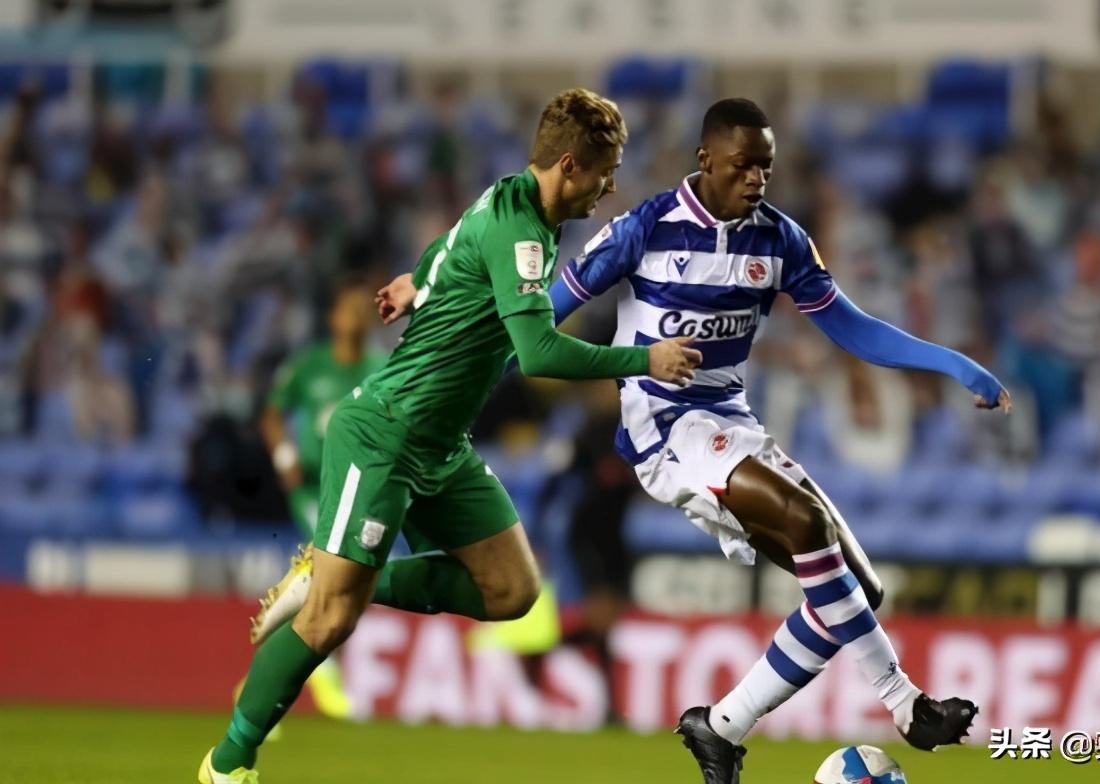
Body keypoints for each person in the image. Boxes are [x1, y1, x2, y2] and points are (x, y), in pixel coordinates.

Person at [197, 87, 702, 784]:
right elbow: (538, 354)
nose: (610, 187)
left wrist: (418, 282)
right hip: (384, 433)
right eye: (604, 171)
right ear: (568, 165)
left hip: (440, 446)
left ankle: (337, 574)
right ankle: (228, 764)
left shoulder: (511, 201)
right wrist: (644, 361)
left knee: (512, 591)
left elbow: (450, 247)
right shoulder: (521, 232)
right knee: (329, 619)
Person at [546, 99, 1011, 784]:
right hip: (667, 427)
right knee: (805, 521)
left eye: (765, 166)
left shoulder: (781, 240)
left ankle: (721, 727)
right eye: (742, 165)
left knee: (857, 591)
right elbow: (538, 322)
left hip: (730, 421)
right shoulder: (645, 229)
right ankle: (904, 703)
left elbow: (853, 328)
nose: (756, 179)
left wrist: (953, 364)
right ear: (705, 160)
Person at [253, 281, 390, 717]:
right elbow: (272, 413)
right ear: (333, 318)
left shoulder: (380, 366)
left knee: (341, 583)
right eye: (348, 307)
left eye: (363, 308)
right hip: (314, 486)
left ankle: (256, 687)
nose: (357, 315)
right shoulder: (309, 366)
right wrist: (284, 454)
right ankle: (324, 669)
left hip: (358, 488)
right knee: (334, 568)